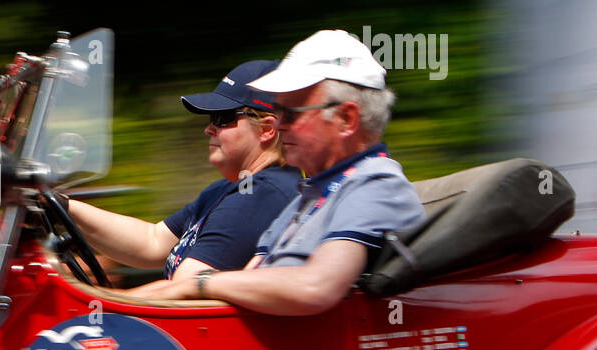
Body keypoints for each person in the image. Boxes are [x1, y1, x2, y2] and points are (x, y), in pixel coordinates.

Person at [124, 29, 425, 314]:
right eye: (278, 112)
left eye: (291, 114)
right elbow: (253, 275)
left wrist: (199, 284)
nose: (277, 125)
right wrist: (124, 302)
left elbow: (316, 287)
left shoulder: (374, 182)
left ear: (346, 119)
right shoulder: (311, 193)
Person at [67, 60, 301, 284]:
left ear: (266, 129)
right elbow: (152, 242)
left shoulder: (260, 194)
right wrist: (65, 207)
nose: (209, 129)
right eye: (212, 118)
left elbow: (185, 286)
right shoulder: (230, 187)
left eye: (222, 117)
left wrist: (101, 304)